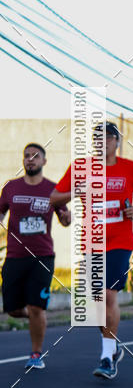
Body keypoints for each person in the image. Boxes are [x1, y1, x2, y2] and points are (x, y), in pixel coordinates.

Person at [50, 122, 133, 380]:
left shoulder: (131, 168)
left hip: (121, 240)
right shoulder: (80, 167)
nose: (103, 141)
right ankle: (113, 345)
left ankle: (107, 357)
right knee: (96, 302)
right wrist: (78, 191)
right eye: (98, 137)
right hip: (91, 241)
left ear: (117, 142)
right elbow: (54, 197)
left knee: (109, 295)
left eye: (109, 137)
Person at [0, 143, 71, 369]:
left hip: (42, 256)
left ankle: (36, 354)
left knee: (36, 307)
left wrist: (67, 217)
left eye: (35, 156)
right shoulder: (11, 188)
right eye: (27, 156)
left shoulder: (53, 189)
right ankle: (35, 318)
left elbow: (65, 220)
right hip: (14, 256)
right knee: (12, 309)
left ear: (44, 161)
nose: (30, 159)